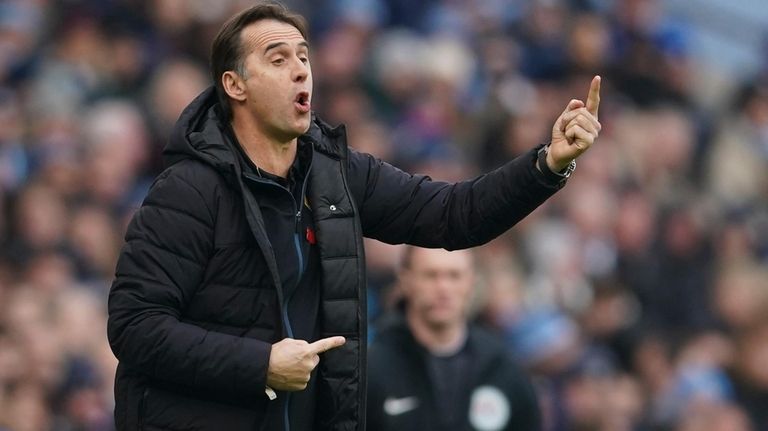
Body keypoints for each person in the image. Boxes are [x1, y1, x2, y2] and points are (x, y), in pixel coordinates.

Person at [106, 3, 602, 430]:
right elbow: (134, 327)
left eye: (304, 57)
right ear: (235, 85)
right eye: (278, 60)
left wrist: (548, 163)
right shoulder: (189, 190)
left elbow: (455, 215)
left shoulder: (335, 174)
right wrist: (260, 365)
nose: (301, 70)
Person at [367, 247, 542, 431]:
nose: (443, 288)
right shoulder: (374, 367)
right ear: (405, 280)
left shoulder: (501, 366)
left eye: (454, 275)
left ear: (472, 282)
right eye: (430, 275)